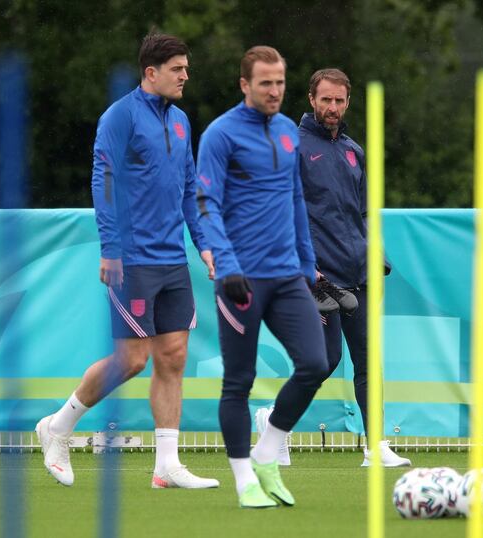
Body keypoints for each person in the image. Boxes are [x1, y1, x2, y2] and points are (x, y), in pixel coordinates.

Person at [34, 33, 219, 490]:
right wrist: (110, 248)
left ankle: (167, 467)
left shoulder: (180, 121)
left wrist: (205, 242)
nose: (185, 75)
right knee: (132, 359)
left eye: (186, 67)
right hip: (132, 260)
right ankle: (57, 427)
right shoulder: (119, 116)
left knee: (173, 358)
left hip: (172, 259)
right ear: (151, 72)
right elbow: (104, 180)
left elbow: (189, 185)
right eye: (177, 68)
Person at [196, 46, 328, 508]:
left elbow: (295, 200)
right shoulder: (220, 135)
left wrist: (307, 264)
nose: (274, 91)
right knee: (239, 381)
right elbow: (205, 202)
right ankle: (243, 480)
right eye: (265, 83)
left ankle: (267, 453)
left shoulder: (289, 131)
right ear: (244, 85)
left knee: (316, 364)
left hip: (288, 275)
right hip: (240, 279)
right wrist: (226, 266)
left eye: (280, 82)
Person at [297, 68, 411, 467]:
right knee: (323, 363)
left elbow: (361, 215)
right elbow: (286, 212)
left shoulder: (353, 151)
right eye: (325, 99)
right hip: (318, 278)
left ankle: (375, 447)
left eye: (339, 101)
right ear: (311, 99)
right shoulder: (293, 146)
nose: (332, 107)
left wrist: (374, 257)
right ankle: (273, 424)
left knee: (367, 361)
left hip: (357, 275)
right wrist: (304, 265)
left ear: (348, 102)